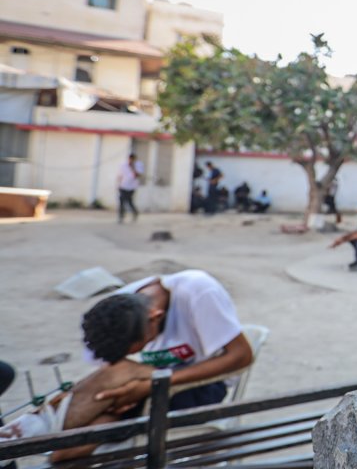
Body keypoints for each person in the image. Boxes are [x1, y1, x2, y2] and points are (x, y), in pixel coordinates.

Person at [0, 270, 254, 460]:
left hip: (200, 387)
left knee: (122, 374)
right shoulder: (117, 307)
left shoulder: (197, 291)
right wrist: (134, 390)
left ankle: (32, 429)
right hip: (142, 390)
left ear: (155, 317)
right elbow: (107, 369)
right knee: (68, 453)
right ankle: (34, 432)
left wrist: (149, 385)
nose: (142, 350)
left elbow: (242, 356)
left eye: (140, 346)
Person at [116, 153, 143, 223]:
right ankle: (121, 216)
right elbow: (120, 175)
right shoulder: (123, 165)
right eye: (130, 159)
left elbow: (138, 175)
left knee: (129, 201)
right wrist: (118, 184)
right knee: (121, 201)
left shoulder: (138, 165)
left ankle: (135, 212)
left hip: (132, 186)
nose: (131, 160)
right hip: (123, 185)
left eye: (132, 159)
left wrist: (132, 167)